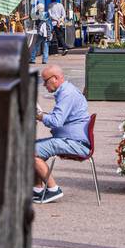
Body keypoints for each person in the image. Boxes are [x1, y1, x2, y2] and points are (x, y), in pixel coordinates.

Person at [33, 65, 91, 203]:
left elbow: (56, 121)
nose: (44, 84)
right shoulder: (66, 91)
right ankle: (37, 190)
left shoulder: (67, 94)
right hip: (71, 139)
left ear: (56, 78)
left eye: (46, 80)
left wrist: (39, 116)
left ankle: (53, 190)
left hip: (75, 142)